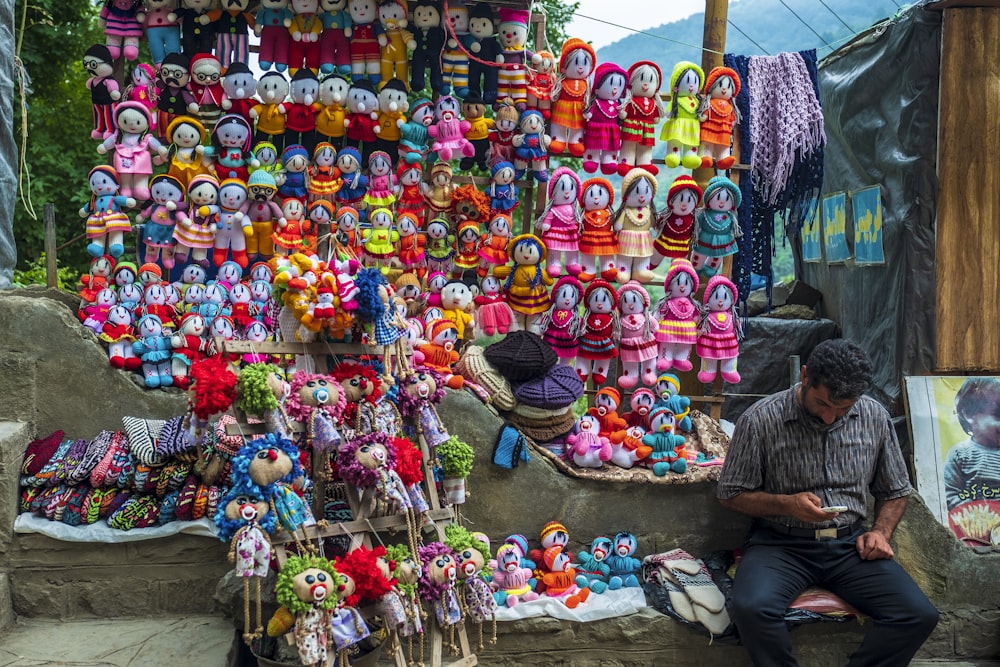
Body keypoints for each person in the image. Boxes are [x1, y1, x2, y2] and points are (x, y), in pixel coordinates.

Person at [717, 338, 938, 666]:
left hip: (850, 546)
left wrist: (881, 533)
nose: (830, 418)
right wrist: (787, 505)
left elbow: (894, 490)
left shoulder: (874, 417)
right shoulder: (761, 420)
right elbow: (730, 494)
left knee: (917, 614)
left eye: (843, 409)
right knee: (751, 608)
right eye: (822, 404)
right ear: (805, 376)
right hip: (780, 545)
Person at [944, 377, 1000, 510]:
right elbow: (950, 493)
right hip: (974, 524)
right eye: (997, 415)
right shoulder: (960, 454)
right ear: (969, 414)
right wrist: (976, 514)